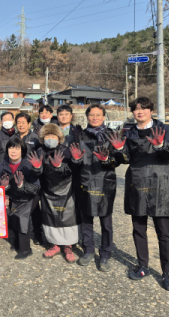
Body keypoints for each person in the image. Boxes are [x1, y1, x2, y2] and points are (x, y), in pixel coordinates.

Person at [110, 97, 169, 291]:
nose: (139, 112)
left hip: (161, 184)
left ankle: (167, 273)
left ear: (151, 110)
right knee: (139, 229)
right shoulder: (129, 132)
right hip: (138, 182)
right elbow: (125, 158)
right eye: (136, 109)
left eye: (144, 108)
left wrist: (160, 146)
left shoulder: (165, 129)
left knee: (164, 232)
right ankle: (143, 265)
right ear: (132, 112)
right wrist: (118, 149)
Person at [70, 104, 120, 272]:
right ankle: (88, 250)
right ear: (87, 117)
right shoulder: (80, 135)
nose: (95, 117)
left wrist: (108, 159)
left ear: (104, 117)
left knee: (106, 222)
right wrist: (76, 160)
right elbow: (74, 161)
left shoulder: (111, 136)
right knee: (86, 220)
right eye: (92, 115)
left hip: (106, 182)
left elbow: (119, 161)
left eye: (98, 115)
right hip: (84, 181)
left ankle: (105, 254)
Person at [28, 123, 79, 263]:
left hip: (65, 189)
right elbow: (35, 171)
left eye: (54, 135)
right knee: (51, 217)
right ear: (43, 138)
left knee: (67, 216)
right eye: (48, 136)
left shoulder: (66, 150)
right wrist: (37, 168)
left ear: (59, 137)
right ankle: (54, 244)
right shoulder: (39, 151)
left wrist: (60, 166)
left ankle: (68, 246)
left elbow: (72, 169)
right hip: (48, 189)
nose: (51, 138)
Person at [0, 138, 40, 259]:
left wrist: (21, 185)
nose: (13, 151)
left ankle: (26, 249)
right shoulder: (3, 165)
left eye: (17, 148)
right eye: (11, 148)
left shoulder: (28, 164)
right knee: (12, 215)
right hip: (13, 196)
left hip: (29, 196)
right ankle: (17, 243)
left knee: (22, 217)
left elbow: (36, 187)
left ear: (23, 150)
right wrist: (4, 189)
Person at [14, 112, 43, 245]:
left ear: (29, 124)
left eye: (23, 122)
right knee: (19, 205)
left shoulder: (35, 138)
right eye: (18, 122)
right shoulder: (13, 138)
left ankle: (37, 234)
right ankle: (18, 234)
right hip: (17, 175)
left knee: (35, 207)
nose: (21, 125)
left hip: (31, 174)